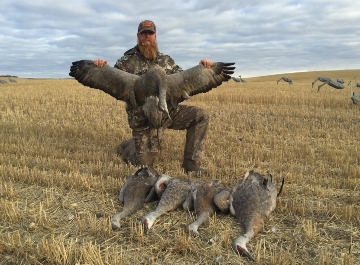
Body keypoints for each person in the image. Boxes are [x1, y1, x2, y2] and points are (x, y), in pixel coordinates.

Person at [94, 20, 213, 176]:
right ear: (138, 36)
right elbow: (112, 81)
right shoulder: (126, 62)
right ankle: (129, 148)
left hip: (167, 114)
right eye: (143, 33)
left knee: (201, 116)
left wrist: (202, 68)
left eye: (150, 33)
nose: (147, 37)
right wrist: (102, 67)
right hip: (142, 119)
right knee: (144, 166)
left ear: (155, 36)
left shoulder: (167, 61)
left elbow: (184, 82)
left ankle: (191, 163)